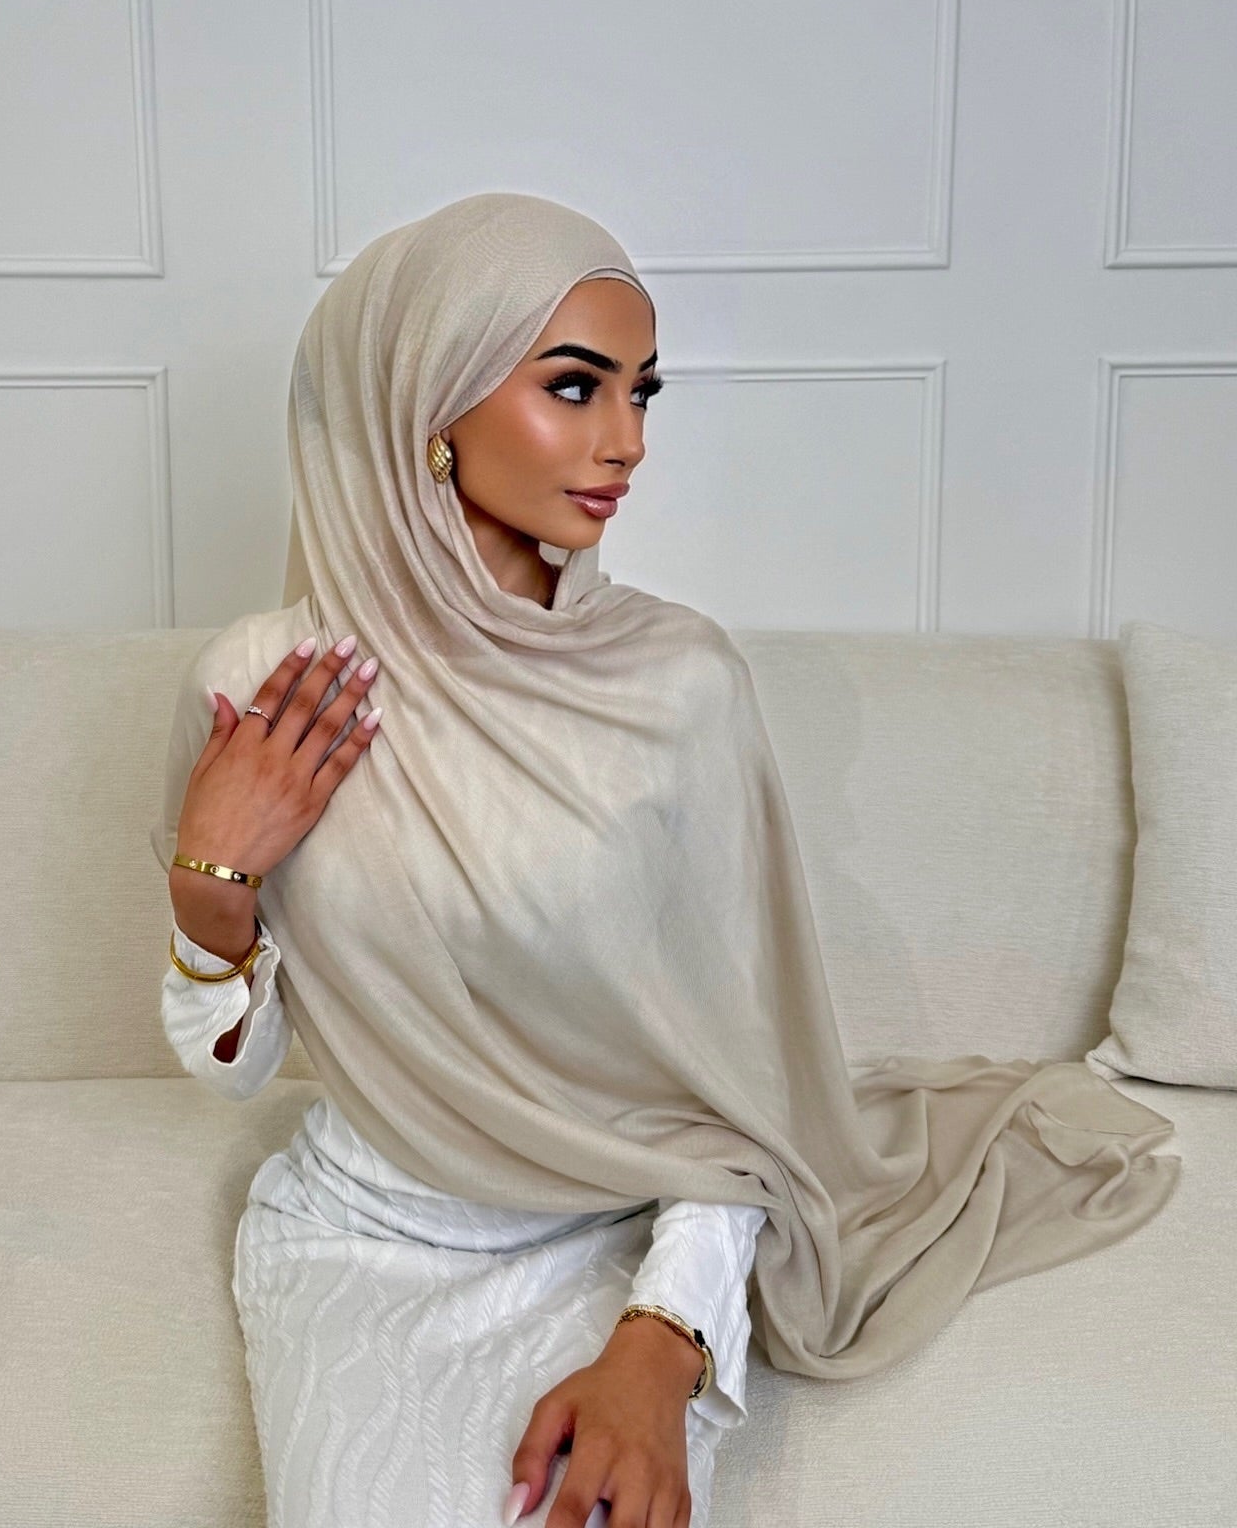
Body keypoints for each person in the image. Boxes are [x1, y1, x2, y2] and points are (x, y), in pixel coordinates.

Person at [151, 193, 1179, 1528]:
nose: (627, 440)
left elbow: (735, 1086)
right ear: (426, 404)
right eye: (575, 387)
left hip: (618, 1229)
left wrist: (663, 1339)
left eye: (641, 392)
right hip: (364, 1234)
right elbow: (233, 1075)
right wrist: (211, 894)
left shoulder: (675, 681)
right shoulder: (268, 684)